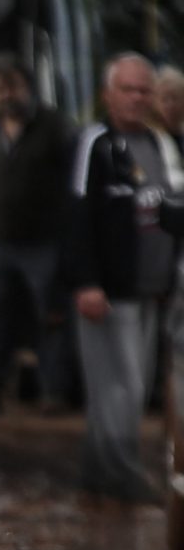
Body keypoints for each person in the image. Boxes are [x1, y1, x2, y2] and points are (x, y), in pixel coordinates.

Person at [65, 54, 184, 501]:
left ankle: (100, 473)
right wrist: (86, 282)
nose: (137, 98)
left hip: (150, 288)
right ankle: (121, 474)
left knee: (133, 384)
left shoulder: (159, 144)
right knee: (120, 385)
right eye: (128, 89)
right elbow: (76, 215)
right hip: (108, 290)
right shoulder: (94, 143)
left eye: (144, 90)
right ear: (107, 95)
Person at [0, 54, 78, 413]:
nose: (6, 96)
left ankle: (54, 392)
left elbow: (72, 185)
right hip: (2, 242)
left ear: (28, 87)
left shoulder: (55, 127)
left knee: (51, 318)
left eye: (12, 87)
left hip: (44, 242)